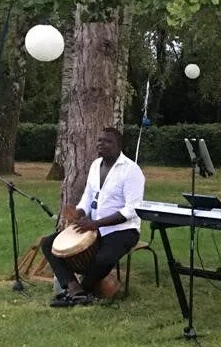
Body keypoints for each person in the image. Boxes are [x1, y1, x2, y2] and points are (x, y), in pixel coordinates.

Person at [41, 128, 145, 307]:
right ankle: (74, 289)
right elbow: (88, 197)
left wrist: (96, 224)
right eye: (99, 140)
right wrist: (79, 212)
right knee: (49, 243)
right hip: (95, 228)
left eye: (107, 141)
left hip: (123, 230)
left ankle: (84, 289)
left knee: (103, 258)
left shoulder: (131, 171)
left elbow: (132, 210)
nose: (101, 144)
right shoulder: (96, 165)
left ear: (119, 146)